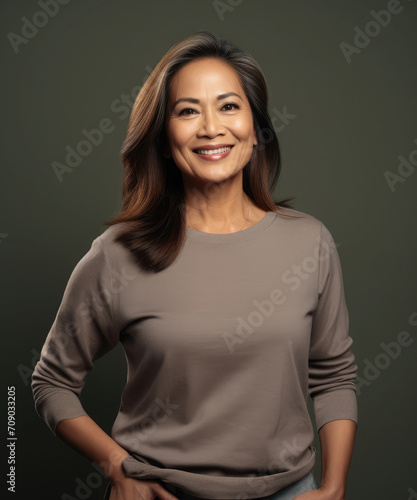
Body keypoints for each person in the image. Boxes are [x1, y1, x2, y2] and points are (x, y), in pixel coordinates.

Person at [31, 30, 358, 500]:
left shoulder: (311, 242)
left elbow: (334, 374)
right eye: (187, 111)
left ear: (256, 126)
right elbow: (50, 382)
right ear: (164, 138)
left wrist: (334, 487)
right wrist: (119, 469)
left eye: (229, 106)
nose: (210, 127)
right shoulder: (118, 253)